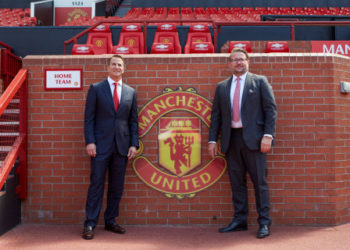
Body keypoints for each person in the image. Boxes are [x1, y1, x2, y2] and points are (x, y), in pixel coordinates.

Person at [208, 48, 277, 239]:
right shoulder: (222, 87)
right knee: (237, 183)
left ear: (248, 61)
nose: (238, 62)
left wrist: (268, 136)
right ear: (229, 63)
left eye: (241, 59)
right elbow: (216, 116)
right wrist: (213, 140)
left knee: (259, 183)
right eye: (234, 60)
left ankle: (264, 223)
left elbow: (270, 110)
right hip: (232, 140)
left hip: (255, 141)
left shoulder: (260, 81)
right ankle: (240, 220)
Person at [82, 54, 139, 240]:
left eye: (120, 65)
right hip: (99, 146)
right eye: (113, 64)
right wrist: (90, 141)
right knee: (96, 184)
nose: (117, 67)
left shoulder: (131, 92)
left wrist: (133, 143)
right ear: (107, 68)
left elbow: (133, 121)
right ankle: (90, 223)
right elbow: (89, 118)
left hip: (121, 147)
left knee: (117, 186)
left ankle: (110, 220)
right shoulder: (96, 89)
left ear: (124, 68)